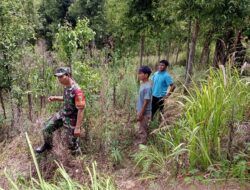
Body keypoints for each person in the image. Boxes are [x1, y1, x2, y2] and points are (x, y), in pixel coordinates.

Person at [35, 67, 85, 155]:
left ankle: (77, 160)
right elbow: (67, 98)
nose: (59, 79)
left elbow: (81, 109)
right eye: (58, 77)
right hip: (63, 114)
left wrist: (77, 128)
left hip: (72, 119)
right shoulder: (66, 86)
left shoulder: (77, 90)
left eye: (61, 77)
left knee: (71, 144)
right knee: (46, 129)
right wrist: (55, 98)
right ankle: (48, 146)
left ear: (68, 75)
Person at [135, 65, 152, 145]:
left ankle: (142, 143)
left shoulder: (148, 87)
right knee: (142, 126)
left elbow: (146, 101)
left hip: (144, 112)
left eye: (140, 73)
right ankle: (142, 140)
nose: (138, 75)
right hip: (140, 109)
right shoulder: (143, 83)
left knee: (142, 128)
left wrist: (141, 113)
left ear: (146, 75)